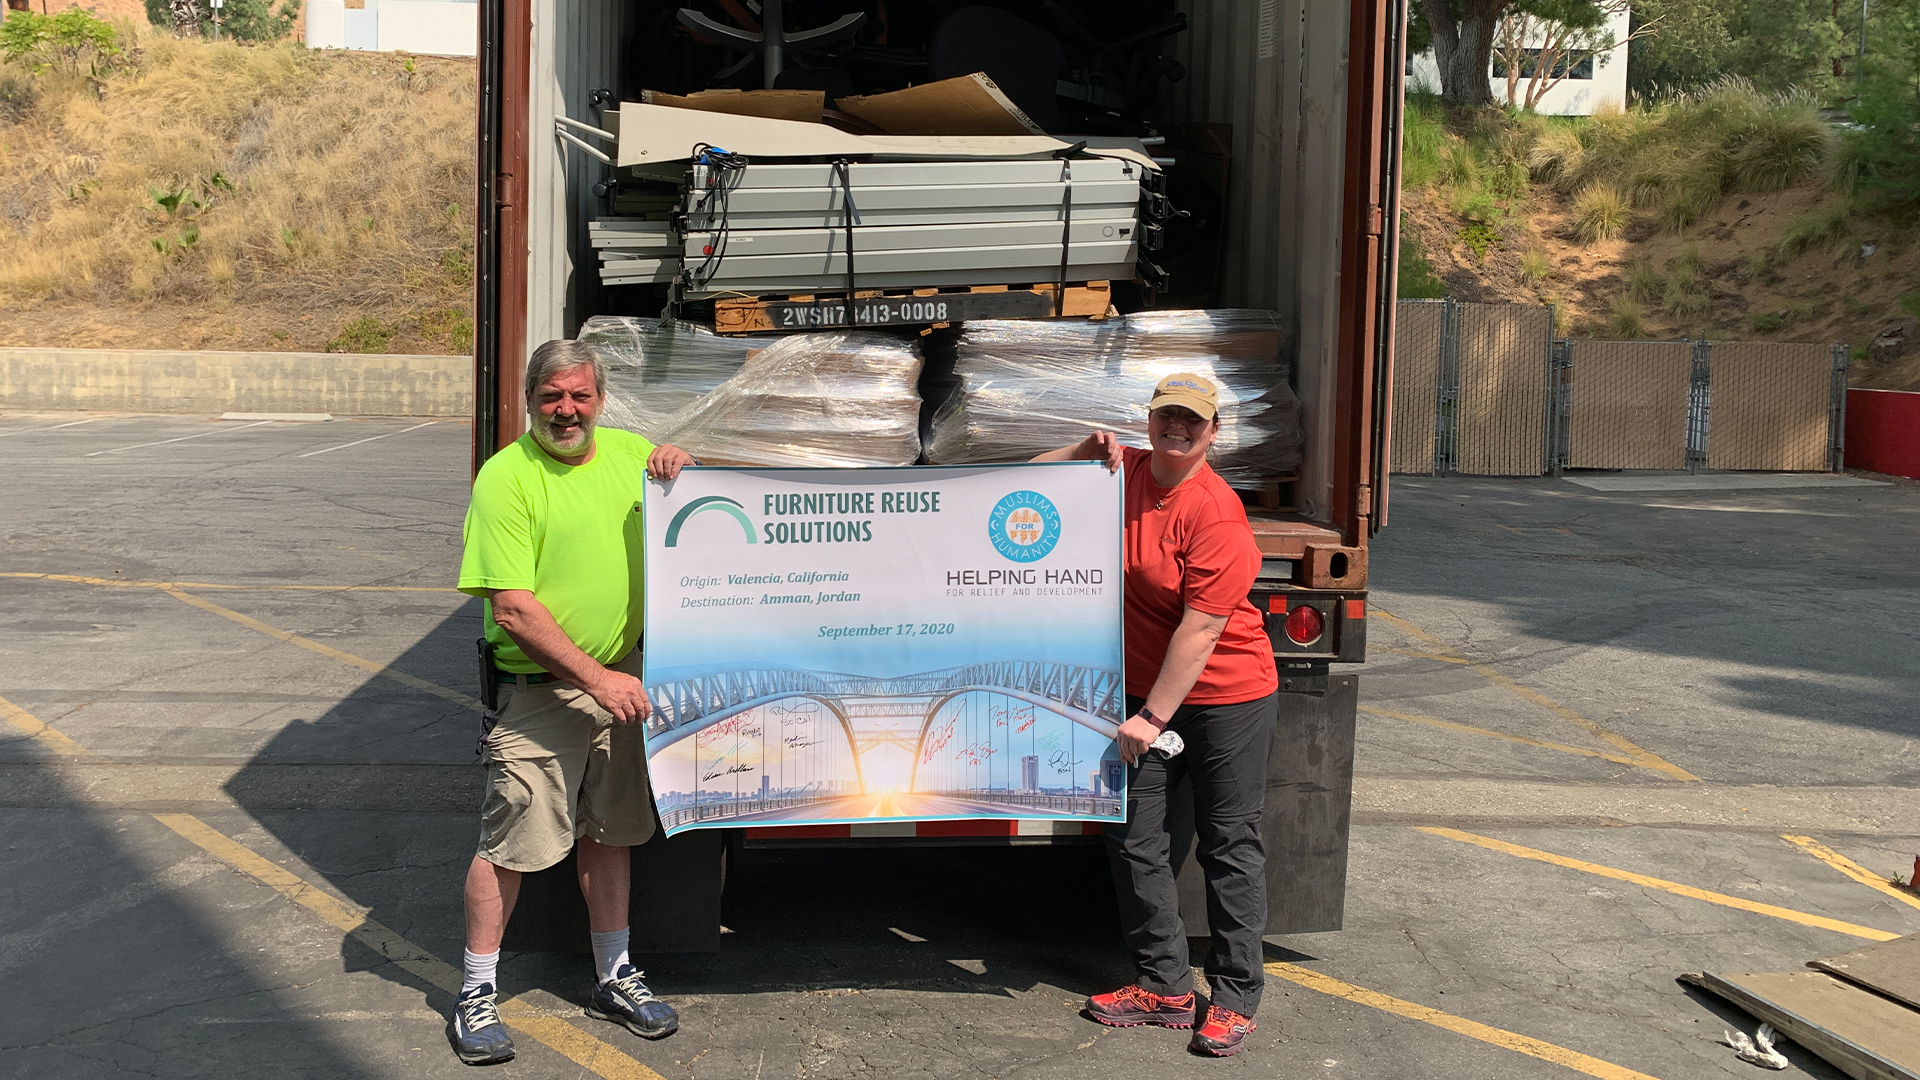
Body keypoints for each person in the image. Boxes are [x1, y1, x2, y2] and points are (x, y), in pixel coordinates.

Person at [450, 339, 695, 1065]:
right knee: (511, 846)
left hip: (620, 683)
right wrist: (599, 678)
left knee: (612, 832)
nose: (567, 411)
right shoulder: (507, 478)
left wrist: (683, 464)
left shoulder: (628, 455)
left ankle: (614, 976)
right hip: (545, 693)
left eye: (579, 397)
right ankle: (475, 993)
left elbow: (705, 511)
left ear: (600, 398)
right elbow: (515, 608)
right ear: (530, 401)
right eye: (552, 397)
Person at [1032, 372, 1281, 1058]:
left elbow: (1200, 631)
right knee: (1135, 837)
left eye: (1192, 420)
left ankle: (1233, 998)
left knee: (1229, 842)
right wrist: (1079, 447)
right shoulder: (1128, 471)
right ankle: (1165, 983)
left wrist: (1151, 718)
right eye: (1167, 415)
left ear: (1213, 432)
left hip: (1227, 697)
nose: (1178, 427)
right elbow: (1018, 492)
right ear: (1148, 421)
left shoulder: (1216, 514)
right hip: (1148, 695)